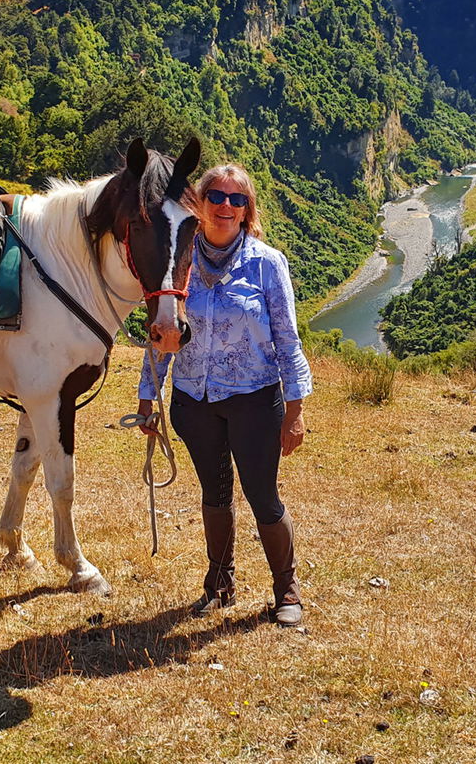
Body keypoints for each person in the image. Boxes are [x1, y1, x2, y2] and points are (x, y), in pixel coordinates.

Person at [136, 163, 313, 626]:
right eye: (216, 196)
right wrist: (145, 398)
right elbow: (161, 330)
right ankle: (219, 583)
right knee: (214, 495)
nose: (227, 207)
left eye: (238, 200)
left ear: (248, 209)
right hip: (193, 401)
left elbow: (288, 341)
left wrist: (294, 411)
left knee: (262, 495)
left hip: (254, 400)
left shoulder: (267, 263)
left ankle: (286, 590)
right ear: (200, 203)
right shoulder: (179, 259)